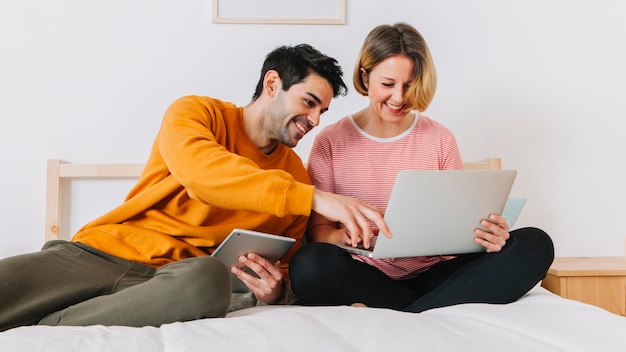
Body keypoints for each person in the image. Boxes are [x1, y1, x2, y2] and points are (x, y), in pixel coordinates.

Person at [0, 44, 390, 332]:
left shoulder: (296, 177)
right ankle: (60, 316)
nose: (314, 120)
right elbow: (204, 174)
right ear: (273, 83)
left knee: (209, 278)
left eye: (322, 111)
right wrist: (316, 197)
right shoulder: (196, 113)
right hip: (100, 254)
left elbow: (285, 267)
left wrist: (275, 291)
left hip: (177, 282)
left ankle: (46, 330)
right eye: (308, 102)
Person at [289, 23, 554, 312]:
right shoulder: (331, 141)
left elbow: (461, 222)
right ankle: (433, 309)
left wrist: (491, 235)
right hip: (366, 275)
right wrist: (344, 236)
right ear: (365, 77)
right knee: (308, 265)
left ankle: (408, 310)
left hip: (435, 274)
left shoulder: (439, 138)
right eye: (388, 84)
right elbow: (319, 233)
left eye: (410, 85)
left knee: (535, 244)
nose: (399, 98)